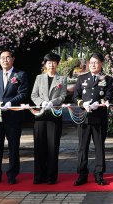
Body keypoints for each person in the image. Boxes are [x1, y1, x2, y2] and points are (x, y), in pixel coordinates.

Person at [0, 49, 29, 185]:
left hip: (13, 116)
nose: (5, 60)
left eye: (7, 57)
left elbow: (23, 93)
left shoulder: (20, 75)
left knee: (13, 147)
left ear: (13, 59)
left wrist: (11, 102)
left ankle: (12, 174)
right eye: (2, 58)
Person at [74, 53, 113, 186]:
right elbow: (76, 96)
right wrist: (82, 104)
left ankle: (99, 174)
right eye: (90, 62)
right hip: (84, 117)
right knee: (82, 147)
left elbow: (109, 95)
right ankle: (82, 174)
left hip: (99, 118)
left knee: (99, 147)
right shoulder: (81, 78)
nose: (92, 65)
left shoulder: (107, 79)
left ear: (101, 64)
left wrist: (101, 102)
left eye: (96, 62)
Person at [30, 52, 68, 185]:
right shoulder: (39, 78)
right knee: (39, 147)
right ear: (45, 64)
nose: (51, 64)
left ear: (57, 64)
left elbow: (63, 95)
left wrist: (53, 102)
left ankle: (51, 177)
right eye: (48, 62)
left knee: (53, 147)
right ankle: (39, 176)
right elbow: (34, 95)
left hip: (54, 115)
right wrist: (41, 103)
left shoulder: (62, 79)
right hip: (40, 116)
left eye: (53, 62)